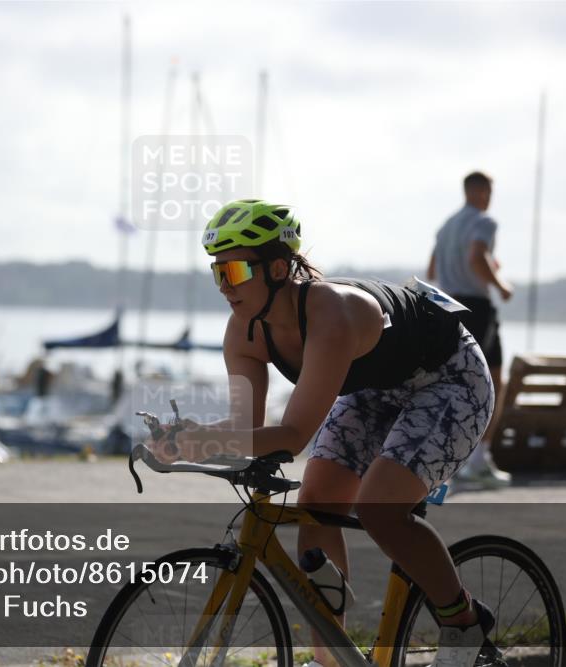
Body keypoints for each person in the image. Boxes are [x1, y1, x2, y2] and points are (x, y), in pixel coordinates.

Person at [148, 199, 497, 667]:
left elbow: (292, 435)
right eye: (217, 274)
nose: (223, 287)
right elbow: (245, 430)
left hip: (449, 379)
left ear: (277, 268)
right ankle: (332, 658)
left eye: (233, 272)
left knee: (379, 507)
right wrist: (186, 439)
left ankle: (463, 621)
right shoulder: (244, 333)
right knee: (317, 503)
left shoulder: (332, 313)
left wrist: (202, 439)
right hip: (376, 386)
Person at [428, 171, 513, 487]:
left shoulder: (446, 226)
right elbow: (477, 257)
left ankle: (451, 456)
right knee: (490, 381)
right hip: (476, 306)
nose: (490, 198)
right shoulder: (485, 221)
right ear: (480, 192)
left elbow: (432, 270)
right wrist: (502, 286)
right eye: (489, 192)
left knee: (453, 381)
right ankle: (476, 460)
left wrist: (485, 265)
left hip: (446, 304)